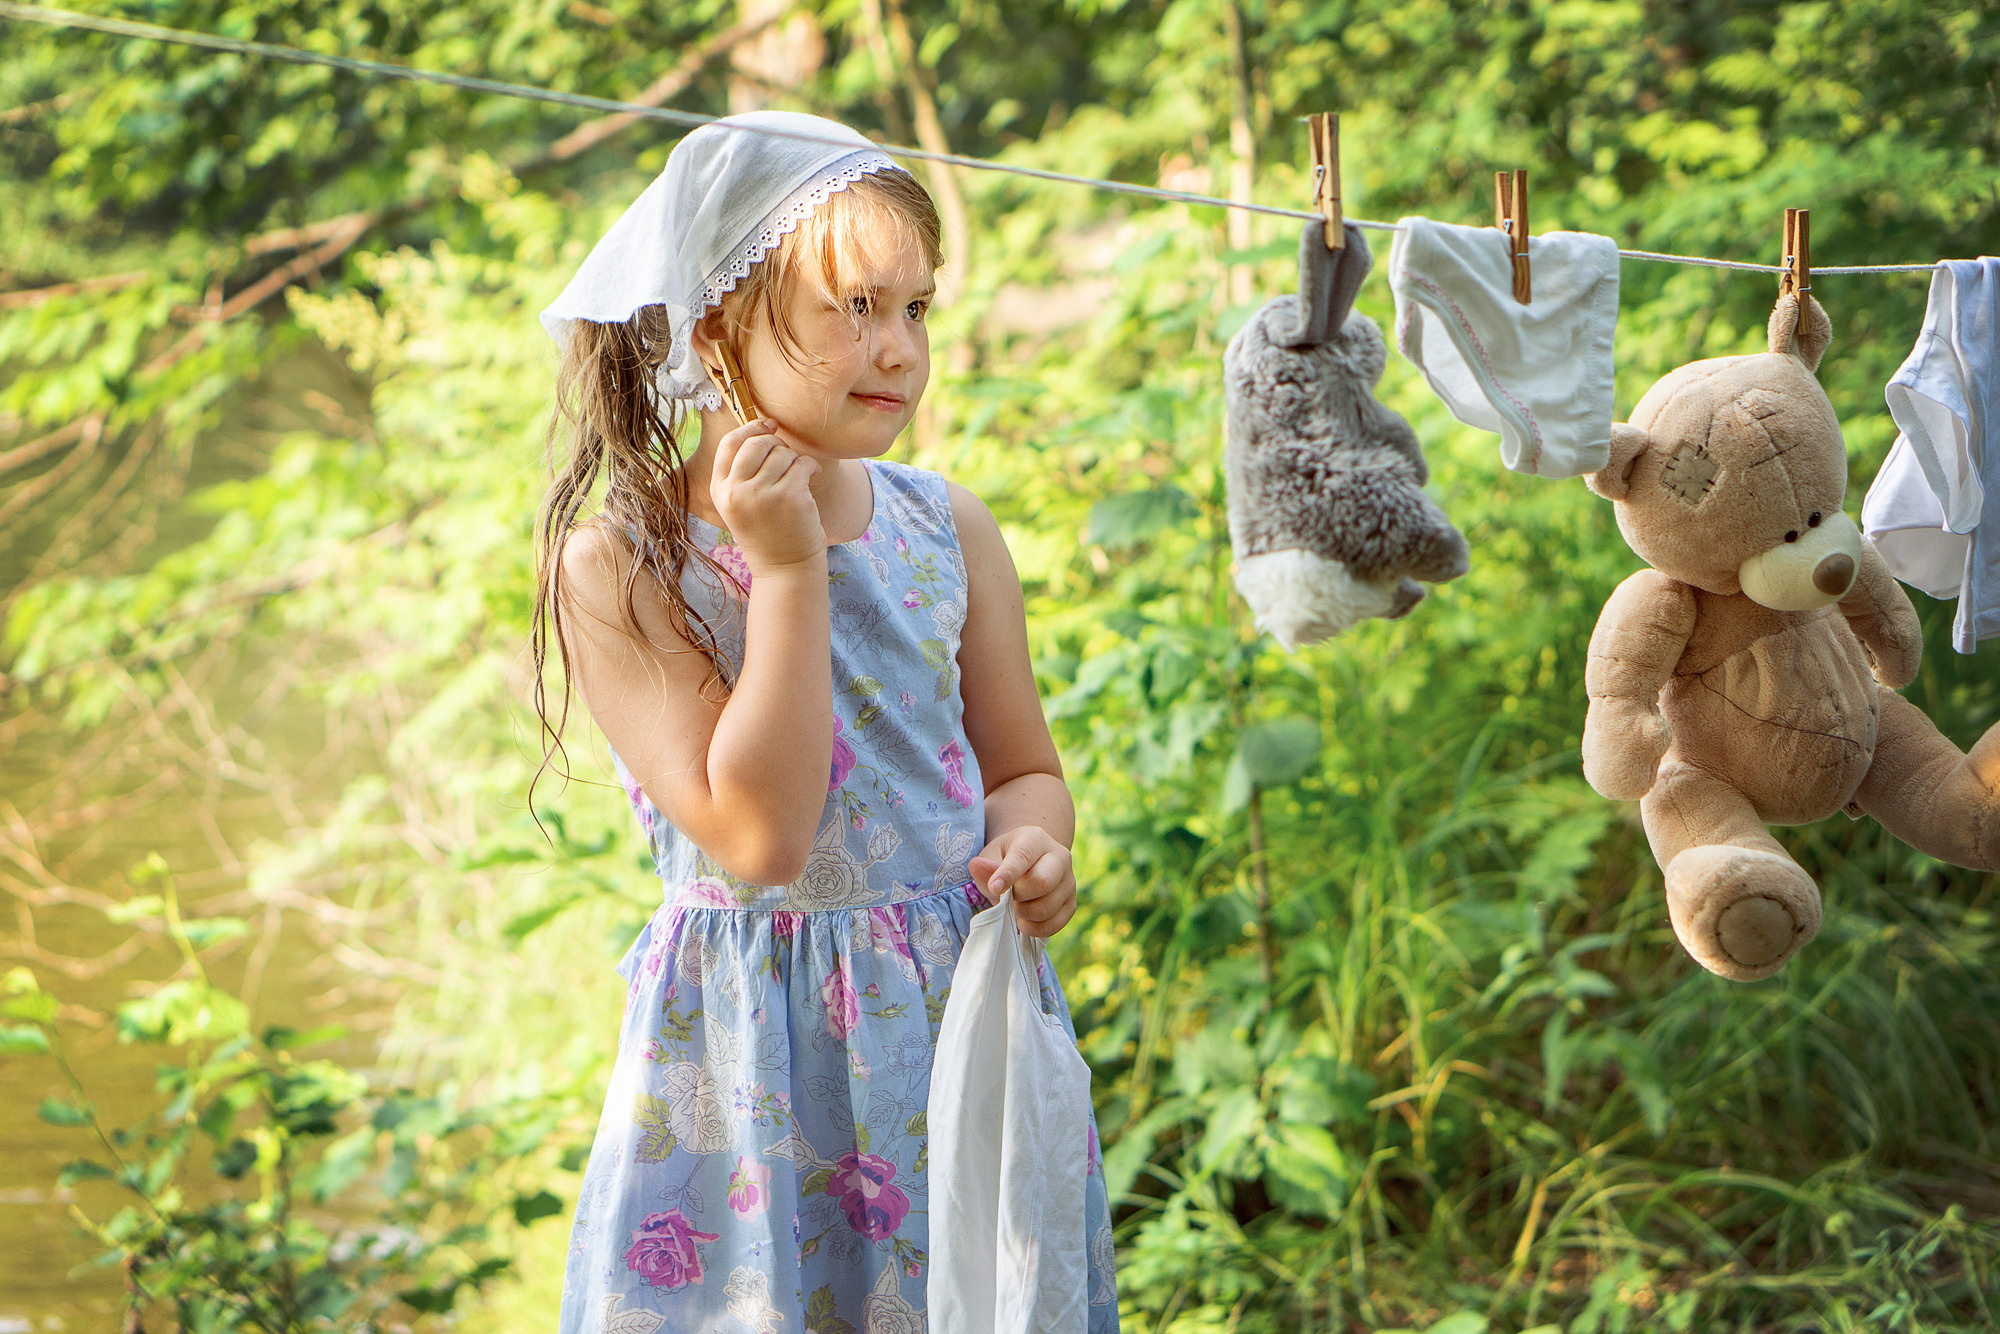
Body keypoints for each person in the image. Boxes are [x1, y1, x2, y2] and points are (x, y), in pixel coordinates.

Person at [533, 110, 1119, 1333]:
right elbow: (760, 837)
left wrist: (1036, 843)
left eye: (916, 310)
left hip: (948, 1031)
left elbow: (1019, 765)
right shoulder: (627, 568)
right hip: (757, 1058)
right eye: (854, 306)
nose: (897, 348)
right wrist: (788, 573)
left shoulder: (942, 524)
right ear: (711, 327)